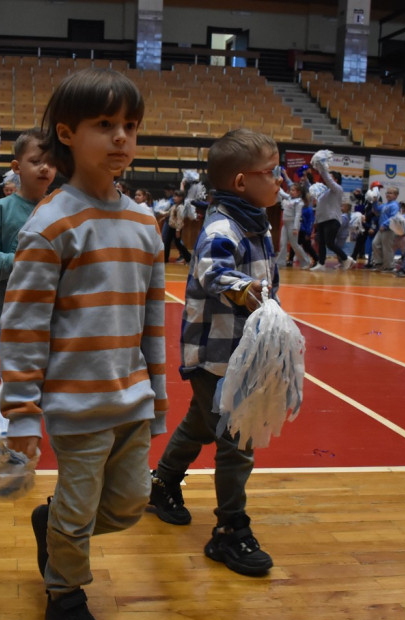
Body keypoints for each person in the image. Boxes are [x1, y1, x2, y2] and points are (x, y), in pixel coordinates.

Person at [0, 69, 166, 620]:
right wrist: (21, 413)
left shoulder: (146, 223)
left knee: (127, 506)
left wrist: (159, 399)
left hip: (133, 398)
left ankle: (55, 529)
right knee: (77, 510)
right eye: (105, 125)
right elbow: (22, 328)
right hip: (76, 405)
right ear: (66, 134)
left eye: (130, 127)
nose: (121, 138)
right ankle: (64, 592)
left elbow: (152, 321)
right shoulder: (51, 223)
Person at [148, 127, 280, 580]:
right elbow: (211, 271)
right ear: (242, 182)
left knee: (201, 423)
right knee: (236, 440)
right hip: (217, 356)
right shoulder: (224, 227)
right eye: (272, 172)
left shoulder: (254, 222)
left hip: (240, 353)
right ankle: (229, 529)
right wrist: (243, 290)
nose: (280, 180)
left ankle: (163, 482)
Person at [0, 129, 56, 347]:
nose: (45, 167)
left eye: (51, 162)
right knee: (13, 375)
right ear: (16, 167)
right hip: (9, 306)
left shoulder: (59, 210)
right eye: (36, 161)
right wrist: (26, 261)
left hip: (51, 307)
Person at [309, 156, 355, 271]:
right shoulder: (323, 194)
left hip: (332, 220)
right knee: (321, 242)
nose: (328, 179)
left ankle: (346, 258)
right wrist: (316, 222)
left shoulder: (337, 189)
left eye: (331, 177)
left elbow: (327, 179)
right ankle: (321, 263)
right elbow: (320, 208)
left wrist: (322, 168)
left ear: (336, 180)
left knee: (329, 243)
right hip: (322, 220)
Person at [275, 178, 310, 269]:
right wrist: (277, 183)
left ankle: (306, 262)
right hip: (285, 225)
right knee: (283, 244)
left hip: (292, 225)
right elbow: (281, 192)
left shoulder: (299, 202)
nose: (291, 192)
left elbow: (298, 215)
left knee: (294, 245)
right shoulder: (288, 198)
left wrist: (295, 228)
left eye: (293, 190)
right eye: (291, 190)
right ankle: (280, 263)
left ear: (298, 192)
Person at [370, 186, 400, 272]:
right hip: (382, 229)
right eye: (387, 193)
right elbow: (376, 209)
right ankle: (379, 263)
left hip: (389, 229)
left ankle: (389, 266)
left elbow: (394, 217)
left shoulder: (394, 205)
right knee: (375, 243)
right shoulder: (385, 205)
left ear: (396, 195)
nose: (388, 194)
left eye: (390, 193)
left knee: (387, 248)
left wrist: (385, 224)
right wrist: (375, 201)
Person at [165, 189, 192, 264]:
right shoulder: (174, 206)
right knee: (167, 242)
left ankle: (188, 257)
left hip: (175, 229)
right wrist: (160, 211)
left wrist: (178, 230)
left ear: (181, 198)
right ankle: (165, 258)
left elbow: (180, 220)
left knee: (178, 244)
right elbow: (168, 213)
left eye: (176, 196)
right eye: (174, 196)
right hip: (171, 227)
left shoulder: (180, 207)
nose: (174, 198)